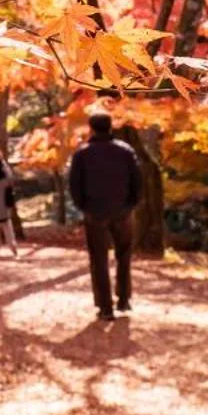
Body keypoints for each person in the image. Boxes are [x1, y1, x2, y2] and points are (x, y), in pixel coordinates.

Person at [68, 112, 141, 321]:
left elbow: (75, 186)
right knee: (124, 256)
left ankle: (105, 307)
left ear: (91, 128)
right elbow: (137, 182)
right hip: (123, 212)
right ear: (111, 127)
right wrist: (130, 206)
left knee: (98, 260)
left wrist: (85, 208)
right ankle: (124, 299)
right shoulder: (126, 151)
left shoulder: (82, 154)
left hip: (95, 212)